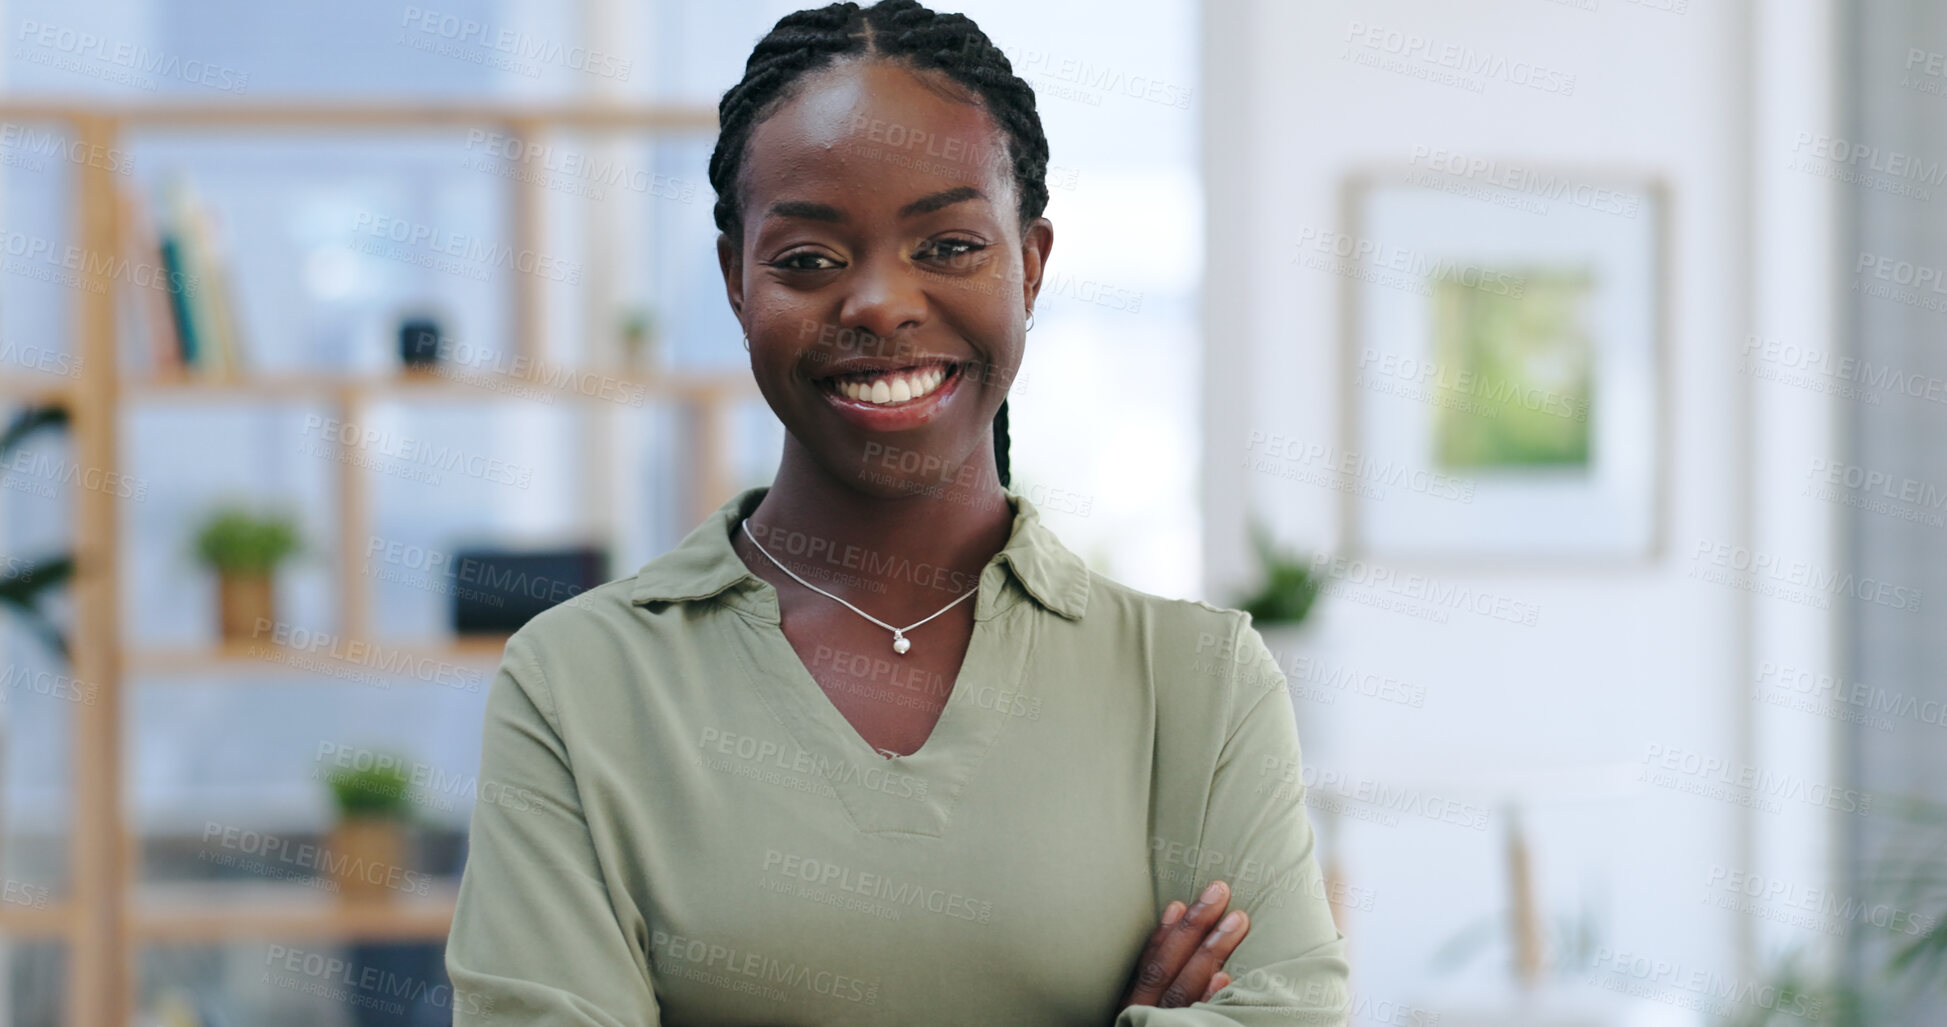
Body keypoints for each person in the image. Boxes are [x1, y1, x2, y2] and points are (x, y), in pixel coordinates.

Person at [443, 2, 1350, 1023]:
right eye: (808, 260)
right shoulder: (579, 686)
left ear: (1032, 264)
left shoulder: (1196, 687)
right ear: (736, 281)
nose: (878, 303)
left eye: (951, 243)